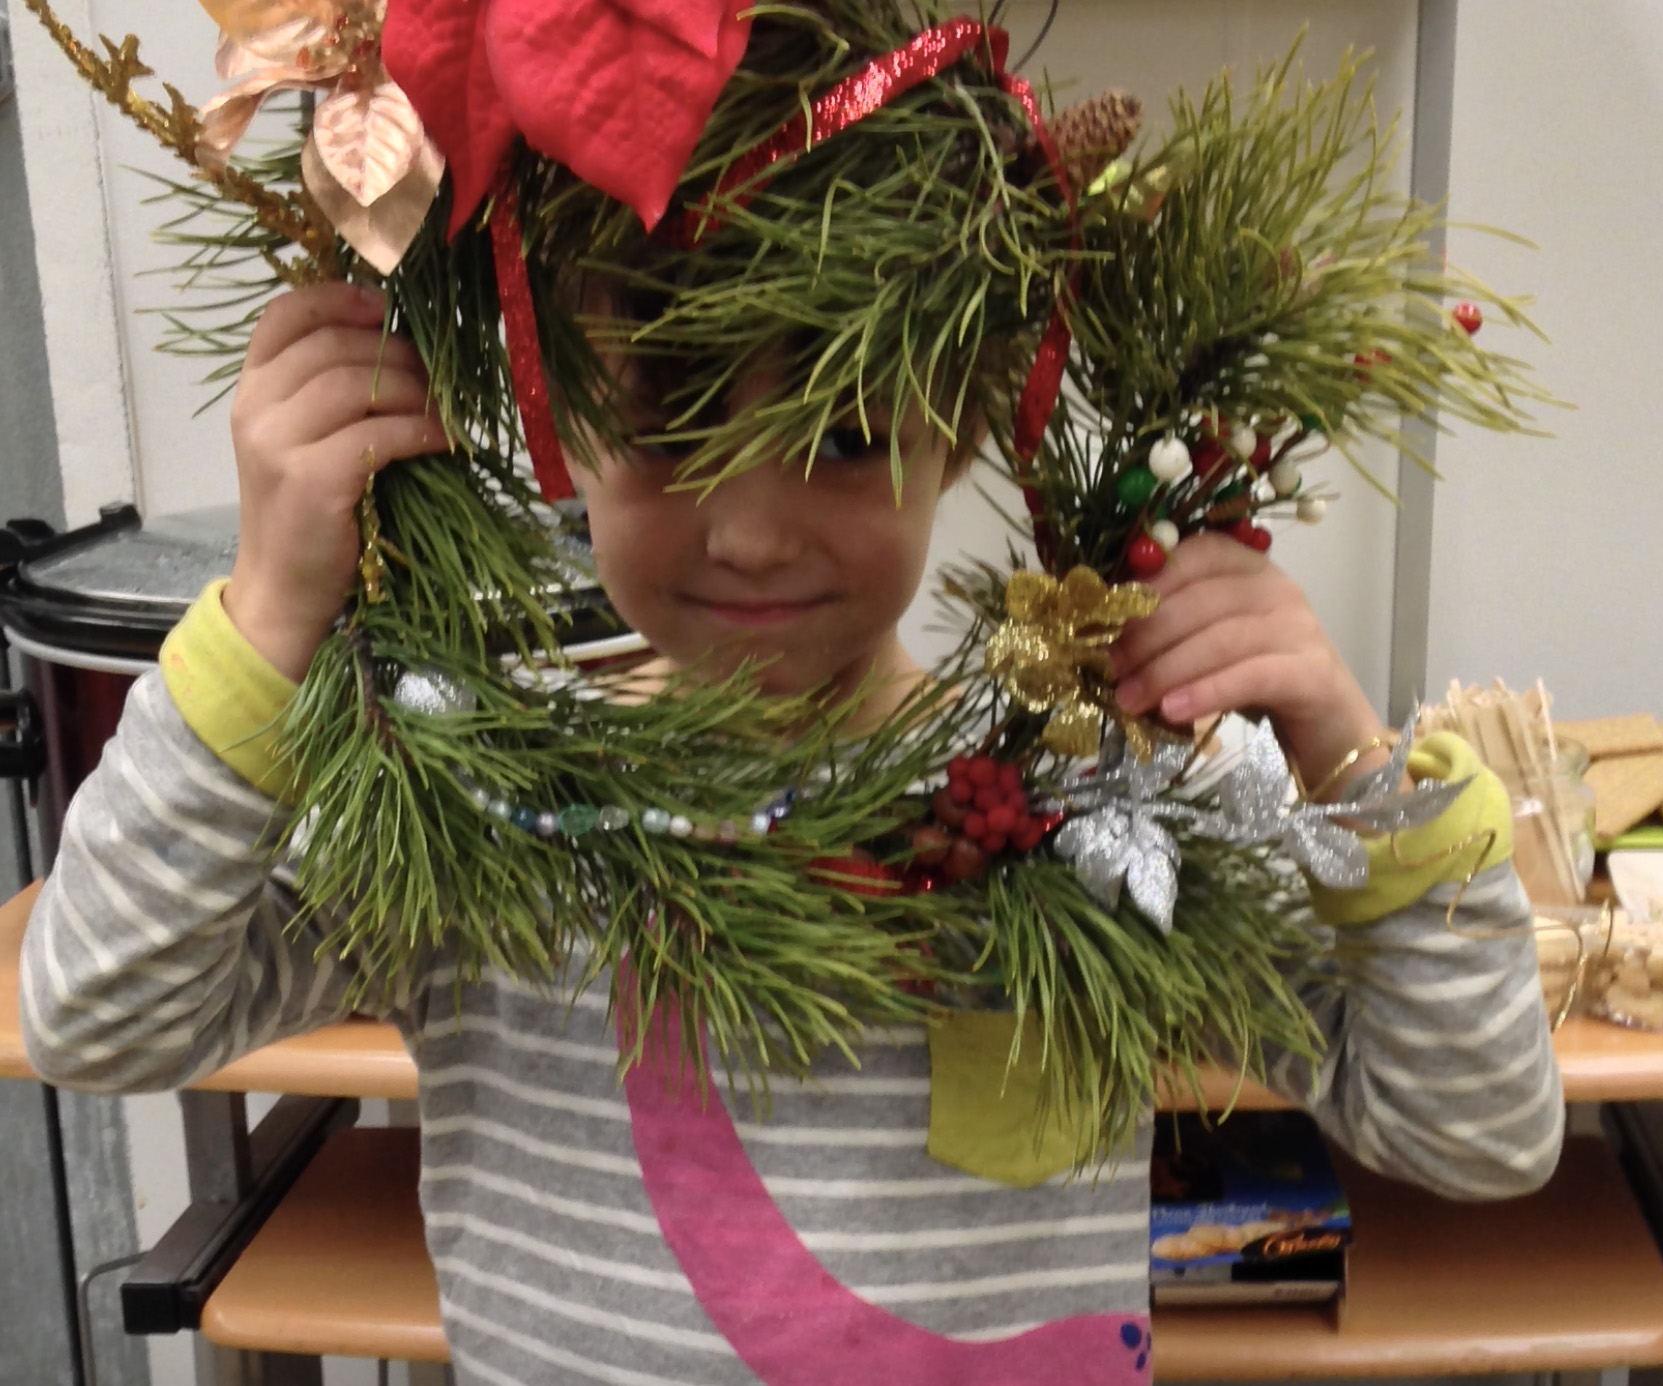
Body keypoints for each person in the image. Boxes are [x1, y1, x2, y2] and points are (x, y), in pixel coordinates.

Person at [18, 9, 1562, 1385]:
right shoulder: (486, 799)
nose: (751, 529)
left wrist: (1345, 747)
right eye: (675, 424)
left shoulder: (1103, 785)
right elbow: (95, 1009)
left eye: (839, 436)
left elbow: (1478, 1131)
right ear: (562, 419)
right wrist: (272, 612)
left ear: (958, 430)